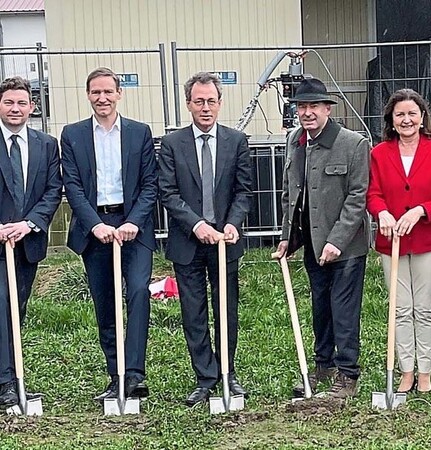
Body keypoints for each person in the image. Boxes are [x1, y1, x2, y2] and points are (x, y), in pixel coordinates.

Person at [61, 67, 157, 403]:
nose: (102, 98)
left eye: (108, 92)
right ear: (88, 95)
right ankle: (115, 375)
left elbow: (149, 183)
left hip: (133, 226)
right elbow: (71, 186)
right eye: (95, 92)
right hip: (95, 228)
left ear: (119, 94)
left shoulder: (139, 133)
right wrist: (94, 224)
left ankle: (135, 375)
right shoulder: (72, 135)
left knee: (139, 293)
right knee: (106, 303)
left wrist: (134, 221)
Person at [158, 72, 252, 406]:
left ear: (220, 103)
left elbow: (244, 191)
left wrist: (233, 223)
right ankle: (205, 377)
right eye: (199, 101)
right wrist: (197, 225)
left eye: (211, 101)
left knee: (226, 309)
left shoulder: (236, 141)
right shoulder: (171, 144)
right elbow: (167, 193)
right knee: (194, 312)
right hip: (188, 242)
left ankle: (228, 372)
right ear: (188, 104)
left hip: (225, 241)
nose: (206, 107)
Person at [274, 78, 370, 399]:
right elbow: (292, 194)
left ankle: (348, 374)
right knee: (320, 307)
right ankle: (323, 366)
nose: (307, 113)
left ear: (327, 108)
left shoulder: (353, 144)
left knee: (343, 309)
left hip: (347, 247)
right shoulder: (294, 141)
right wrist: (288, 238)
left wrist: (337, 241)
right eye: (302, 107)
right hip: (312, 244)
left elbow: (358, 197)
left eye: (314, 106)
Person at [366, 89, 431, 394]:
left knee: (424, 307)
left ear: (422, 118)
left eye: (412, 114)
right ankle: (406, 369)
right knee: (401, 307)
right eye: (400, 114)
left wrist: (420, 210)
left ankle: (425, 370)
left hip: (427, 239)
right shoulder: (379, 153)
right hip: (391, 241)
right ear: (391, 119)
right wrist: (382, 213)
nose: (406, 119)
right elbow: (372, 193)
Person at [0, 77, 61, 407]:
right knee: (0, 308)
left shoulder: (46, 144)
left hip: (26, 242)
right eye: (9, 102)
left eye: (22, 103)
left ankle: (12, 376)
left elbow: (53, 190)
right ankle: (6, 382)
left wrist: (29, 224)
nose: (15, 108)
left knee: (16, 310)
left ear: (32, 107)